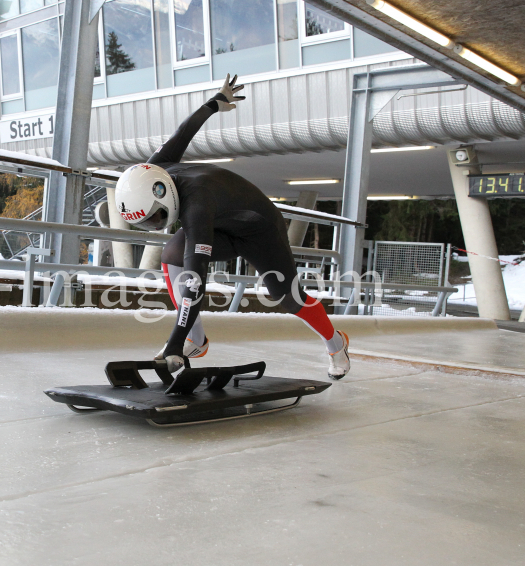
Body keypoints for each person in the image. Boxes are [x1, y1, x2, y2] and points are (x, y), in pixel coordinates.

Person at [114, 74, 350, 380]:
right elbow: (183, 133)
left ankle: (336, 343)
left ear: (162, 192)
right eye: (146, 223)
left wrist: (172, 343)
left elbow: (195, 282)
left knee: (289, 297)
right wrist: (214, 103)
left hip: (260, 231)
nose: (156, 224)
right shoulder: (153, 169)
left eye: (156, 217)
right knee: (171, 253)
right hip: (222, 222)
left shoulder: (196, 206)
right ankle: (195, 342)